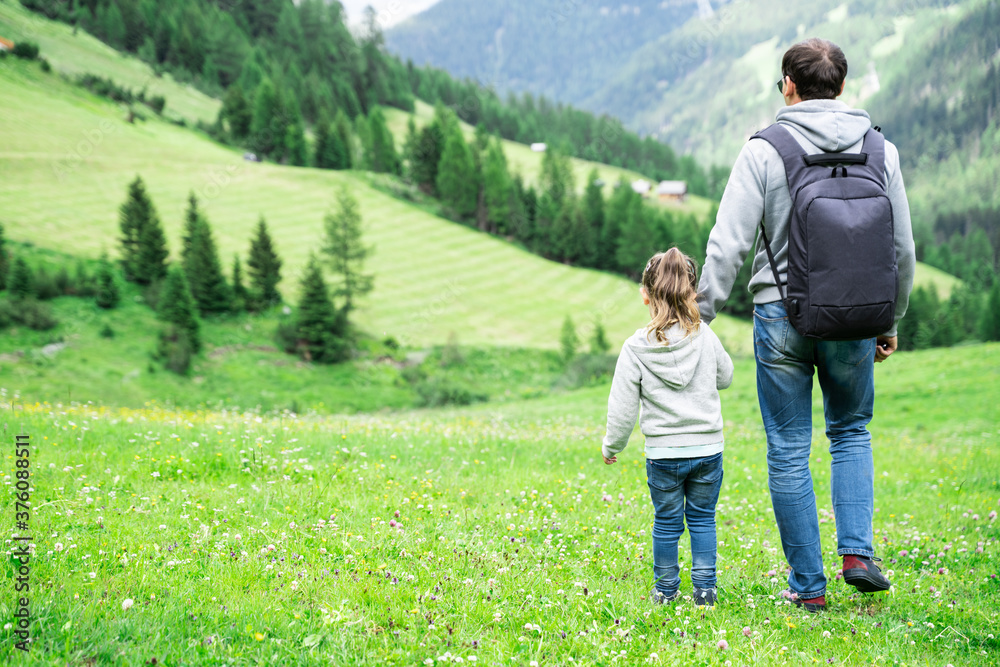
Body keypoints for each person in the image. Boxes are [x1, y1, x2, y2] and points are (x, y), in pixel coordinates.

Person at [696, 38, 916, 612]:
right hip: (856, 319)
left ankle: (809, 587)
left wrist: (698, 315)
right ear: (841, 87)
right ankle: (857, 555)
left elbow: (729, 243)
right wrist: (889, 318)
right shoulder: (881, 151)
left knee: (789, 448)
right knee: (850, 431)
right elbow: (902, 249)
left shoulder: (764, 150)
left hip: (781, 316)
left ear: (788, 87)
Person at [602, 248, 734, 606]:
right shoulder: (705, 335)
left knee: (666, 522)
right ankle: (705, 589)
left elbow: (622, 408)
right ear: (692, 294)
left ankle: (665, 590)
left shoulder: (635, 348)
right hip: (707, 449)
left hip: (663, 454)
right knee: (703, 519)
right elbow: (726, 377)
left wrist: (612, 446)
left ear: (645, 295)